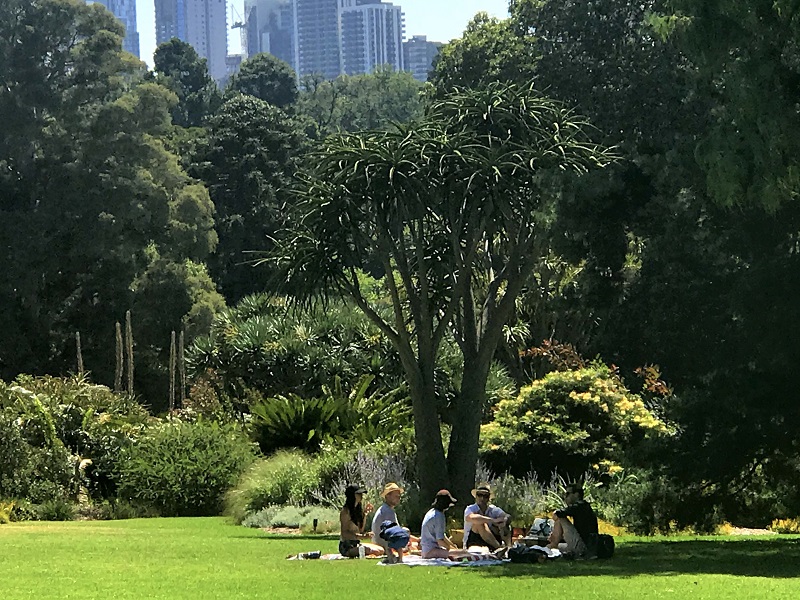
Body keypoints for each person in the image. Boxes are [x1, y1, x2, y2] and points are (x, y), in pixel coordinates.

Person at [547, 482, 598, 557]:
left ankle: (553, 543)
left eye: (568, 494)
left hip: (582, 548)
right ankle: (551, 545)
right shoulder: (584, 506)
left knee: (560, 518)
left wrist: (555, 534)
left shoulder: (579, 506)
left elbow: (559, 513)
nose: (565, 497)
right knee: (558, 546)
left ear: (576, 494)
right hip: (586, 548)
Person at [420, 489, 472, 559]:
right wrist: (449, 548)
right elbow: (440, 540)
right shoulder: (439, 516)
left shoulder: (432, 512)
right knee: (463, 553)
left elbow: (442, 536)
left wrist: (452, 545)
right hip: (430, 551)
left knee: (459, 551)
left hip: (426, 550)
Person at [371, 482, 418, 556]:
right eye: (396, 496)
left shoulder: (384, 509)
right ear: (387, 496)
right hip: (386, 545)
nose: (398, 498)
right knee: (413, 540)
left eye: (399, 496)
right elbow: (396, 533)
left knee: (414, 542)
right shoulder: (388, 512)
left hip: (381, 543)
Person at [463, 483, 512, 550]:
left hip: (490, 542)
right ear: (476, 496)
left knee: (506, 525)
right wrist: (492, 520)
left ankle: (508, 548)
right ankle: (499, 548)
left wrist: (504, 521)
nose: (482, 498)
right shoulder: (470, 508)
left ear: (488, 498)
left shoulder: (493, 509)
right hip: (474, 543)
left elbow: (507, 516)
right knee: (480, 523)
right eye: (479, 495)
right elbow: (470, 517)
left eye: (485, 496)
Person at [339, 484, 375, 557]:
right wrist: (362, 536)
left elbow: (360, 530)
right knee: (368, 550)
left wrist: (365, 515)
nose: (361, 495)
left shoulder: (357, 511)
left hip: (356, 544)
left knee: (380, 550)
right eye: (358, 494)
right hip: (347, 546)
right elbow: (344, 533)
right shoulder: (345, 512)